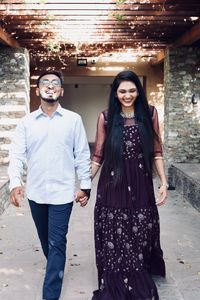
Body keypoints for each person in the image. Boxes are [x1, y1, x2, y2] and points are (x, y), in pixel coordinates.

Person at [8, 70, 91, 300]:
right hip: (36, 192)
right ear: (38, 91)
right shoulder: (26, 123)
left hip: (63, 194)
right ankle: (56, 264)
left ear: (62, 91)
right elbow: (16, 154)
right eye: (45, 82)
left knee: (57, 241)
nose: (51, 86)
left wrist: (85, 185)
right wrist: (15, 183)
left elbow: (82, 155)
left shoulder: (74, 120)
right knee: (47, 242)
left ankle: (50, 293)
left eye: (55, 83)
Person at [91, 70, 168, 300]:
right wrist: (84, 184)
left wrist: (164, 182)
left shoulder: (150, 113)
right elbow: (98, 155)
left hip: (141, 182)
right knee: (115, 229)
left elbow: (156, 151)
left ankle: (138, 270)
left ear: (139, 91)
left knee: (141, 227)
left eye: (132, 90)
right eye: (123, 91)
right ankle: (117, 275)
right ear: (115, 93)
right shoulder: (106, 117)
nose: (127, 95)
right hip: (113, 182)